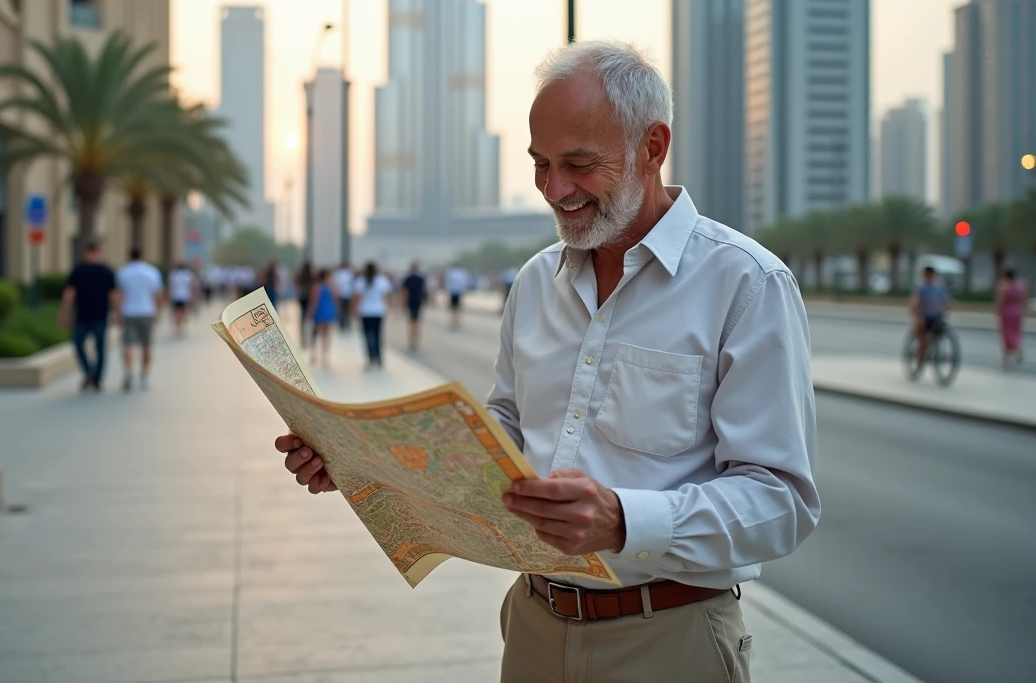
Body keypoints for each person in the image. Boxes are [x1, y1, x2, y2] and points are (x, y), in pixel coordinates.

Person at [273, 40, 819, 682]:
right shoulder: (535, 282)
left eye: (579, 165)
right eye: (540, 164)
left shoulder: (746, 283)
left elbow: (781, 503)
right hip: (532, 628)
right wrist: (371, 464)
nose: (555, 190)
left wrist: (623, 520)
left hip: (669, 641)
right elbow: (507, 431)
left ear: (653, 147)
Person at [59, 239, 117, 392]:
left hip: (93, 315)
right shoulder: (81, 271)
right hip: (87, 316)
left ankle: (93, 376)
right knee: (88, 347)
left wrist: (64, 312)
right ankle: (92, 374)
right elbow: (70, 293)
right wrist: (118, 313)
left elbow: (69, 294)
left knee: (87, 346)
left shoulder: (102, 271)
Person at [116, 247, 165, 392]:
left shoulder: (123, 272)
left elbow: (119, 294)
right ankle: (144, 376)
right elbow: (158, 294)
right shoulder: (152, 272)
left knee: (128, 344)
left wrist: (117, 312)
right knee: (147, 345)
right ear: (143, 255)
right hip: (147, 312)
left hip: (129, 312)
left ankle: (129, 373)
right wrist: (159, 311)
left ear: (129, 256)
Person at [352, 261, 393, 370]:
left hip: (365, 312)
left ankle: (370, 359)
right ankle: (378, 358)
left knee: (367, 336)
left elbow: (357, 298)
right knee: (378, 335)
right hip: (378, 312)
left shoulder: (360, 281)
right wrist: (390, 307)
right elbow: (387, 296)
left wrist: (354, 311)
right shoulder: (382, 280)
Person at [910, 265, 950, 366]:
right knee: (923, 337)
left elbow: (945, 301)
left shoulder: (939, 287)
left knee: (940, 331)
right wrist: (918, 316)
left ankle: (931, 351)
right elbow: (915, 302)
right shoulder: (920, 287)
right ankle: (920, 357)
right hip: (924, 316)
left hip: (936, 316)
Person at [995, 268, 1028, 368]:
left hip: (1007, 312)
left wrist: (997, 312)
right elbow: (1024, 300)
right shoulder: (1021, 285)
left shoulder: (1003, 286)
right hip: (1017, 311)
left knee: (1006, 334)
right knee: (1015, 333)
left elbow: (1000, 301)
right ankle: (1015, 350)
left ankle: (1008, 356)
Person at [307, 268, 339, 368]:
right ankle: (325, 356)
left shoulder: (317, 287)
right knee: (327, 335)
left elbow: (314, 301)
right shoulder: (331, 286)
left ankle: (316, 354)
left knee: (318, 334)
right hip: (328, 311)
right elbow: (336, 298)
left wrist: (310, 312)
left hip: (320, 311)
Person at [400, 262, 428, 352]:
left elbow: (405, 292)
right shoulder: (420, 278)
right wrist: (425, 300)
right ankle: (415, 341)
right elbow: (424, 291)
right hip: (418, 302)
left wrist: (403, 303)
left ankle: (412, 341)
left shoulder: (408, 279)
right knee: (417, 323)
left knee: (411, 323)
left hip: (411, 303)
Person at [167, 261, 195, 338]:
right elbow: (191, 286)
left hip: (176, 296)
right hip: (185, 296)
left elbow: (170, 286)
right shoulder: (188, 275)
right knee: (184, 312)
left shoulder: (173, 275)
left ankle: (178, 327)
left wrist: (169, 296)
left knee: (177, 312)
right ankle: (181, 327)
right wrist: (193, 297)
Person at [443, 264, 471, 329]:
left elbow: (447, 284)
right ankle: (456, 321)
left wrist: (447, 292)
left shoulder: (451, 273)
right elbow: (464, 284)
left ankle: (453, 321)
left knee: (453, 308)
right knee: (457, 308)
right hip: (458, 292)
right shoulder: (462, 273)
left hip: (453, 292)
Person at [296, 261, 315, 347]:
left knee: (302, 319)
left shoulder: (301, 276)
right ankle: (311, 338)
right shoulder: (312, 277)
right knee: (310, 318)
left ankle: (303, 339)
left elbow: (296, 284)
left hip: (303, 297)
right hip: (310, 297)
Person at [331, 263, 355, 332]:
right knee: (346, 310)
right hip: (346, 294)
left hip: (342, 294)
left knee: (342, 310)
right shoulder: (349, 274)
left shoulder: (338, 274)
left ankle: (343, 323)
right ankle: (345, 322)